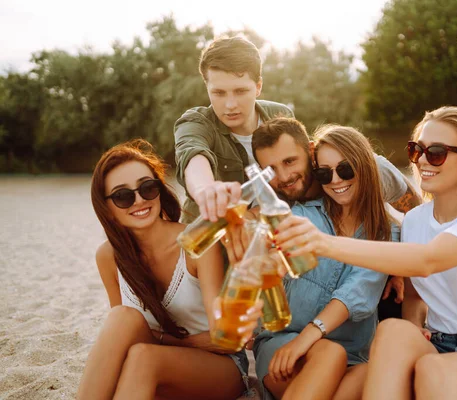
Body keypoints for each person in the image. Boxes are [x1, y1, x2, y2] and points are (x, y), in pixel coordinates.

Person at [273, 106, 457, 400]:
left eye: (437, 152)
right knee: (393, 331)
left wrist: (321, 243)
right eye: (417, 150)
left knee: (433, 369)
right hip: (439, 346)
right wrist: (415, 325)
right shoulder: (414, 221)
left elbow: (427, 261)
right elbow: (415, 295)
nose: (424, 160)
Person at [78, 139, 261, 400]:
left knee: (144, 357)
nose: (139, 200)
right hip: (155, 361)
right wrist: (183, 342)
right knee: (122, 318)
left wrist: (178, 341)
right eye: (123, 196)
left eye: (147, 188)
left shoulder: (196, 242)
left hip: (219, 368)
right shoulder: (108, 256)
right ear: (107, 208)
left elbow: (226, 339)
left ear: (160, 191)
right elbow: (125, 338)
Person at [252, 125, 401, 400]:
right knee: (330, 352)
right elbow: (279, 251)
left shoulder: (386, 233)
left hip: (353, 355)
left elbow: (359, 290)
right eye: (324, 173)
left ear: (366, 167)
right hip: (287, 342)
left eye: (345, 169)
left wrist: (404, 273)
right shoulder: (303, 215)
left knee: (377, 372)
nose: (335, 180)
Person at [249, 117, 421, 319]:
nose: (285, 176)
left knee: (391, 302)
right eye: (271, 169)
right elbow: (253, 222)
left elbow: (416, 215)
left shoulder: (372, 171)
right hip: (323, 273)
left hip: (372, 255)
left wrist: (400, 269)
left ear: (310, 151)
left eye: (290, 161)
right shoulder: (273, 194)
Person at [174, 35, 294, 224]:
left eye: (240, 91)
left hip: (269, 235)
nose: (230, 105)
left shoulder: (281, 115)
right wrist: (206, 190)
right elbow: (192, 154)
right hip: (210, 240)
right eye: (219, 93)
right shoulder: (195, 122)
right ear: (207, 88)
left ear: (258, 86)